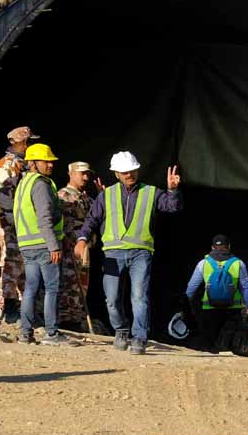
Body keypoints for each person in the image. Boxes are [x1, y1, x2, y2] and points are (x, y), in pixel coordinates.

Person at [75, 151, 182, 355]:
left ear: (137, 170)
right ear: (116, 174)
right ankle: (121, 330)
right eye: (124, 172)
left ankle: (139, 338)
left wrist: (172, 190)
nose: (129, 175)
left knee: (139, 297)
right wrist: (82, 239)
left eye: (132, 170)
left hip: (141, 253)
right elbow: (92, 220)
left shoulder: (151, 192)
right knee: (112, 299)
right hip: (113, 254)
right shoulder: (106, 195)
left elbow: (172, 207)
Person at [13, 143, 76, 347]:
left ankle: (25, 333)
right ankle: (51, 333)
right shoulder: (40, 184)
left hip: (27, 244)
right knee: (52, 288)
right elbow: (44, 217)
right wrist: (53, 246)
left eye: (51, 161)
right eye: (45, 161)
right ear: (32, 163)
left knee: (31, 288)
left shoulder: (24, 183)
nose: (50, 165)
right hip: (43, 244)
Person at [0, 126, 38, 322]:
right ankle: (8, 307)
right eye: (26, 141)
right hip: (8, 224)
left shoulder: (22, 164)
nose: (28, 145)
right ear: (16, 142)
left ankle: (23, 309)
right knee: (8, 263)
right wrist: (13, 222)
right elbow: (4, 197)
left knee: (21, 265)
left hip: (20, 224)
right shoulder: (7, 165)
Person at [185, 234, 248, 352]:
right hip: (232, 309)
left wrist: (185, 306)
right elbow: (245, 288)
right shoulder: (238, 263)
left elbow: (192, 288)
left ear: (212, 247)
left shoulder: (203, 263)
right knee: (230, 343)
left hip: (209, 308)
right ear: (228, 246)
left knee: (209, 342)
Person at [58, 161, 101, 332]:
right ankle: (67, 321)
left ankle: (76, 317)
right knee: (70, 285)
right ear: (71, 173)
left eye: (87, 174)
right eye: (81, 173)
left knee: (81, 286)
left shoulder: (85, 197)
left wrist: (101, 197)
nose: (85, 177)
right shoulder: (63, 196)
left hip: (84, 250)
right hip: (70, 248)